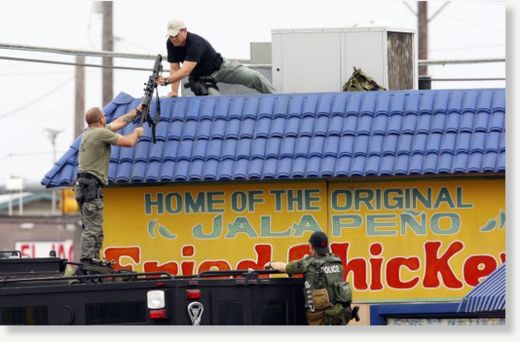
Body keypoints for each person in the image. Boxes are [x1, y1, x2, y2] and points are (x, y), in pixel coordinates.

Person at [75, 105, 144, 264]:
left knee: (93, 226)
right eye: (104, 116)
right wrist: (137, 133)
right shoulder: (101, 133)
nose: (106, 119)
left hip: (83, 185)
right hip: (91, 186)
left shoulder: (90, 133)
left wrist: (138, 110)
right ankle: (87, 261)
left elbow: (119, 122)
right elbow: (128, 143)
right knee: (93, 228)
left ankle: (93, 258)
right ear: (100, 119)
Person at [155, 18, 277, 96]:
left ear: (184, 31)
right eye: (170, 36)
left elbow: (185, 70)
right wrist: (174, 92)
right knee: (215, 102)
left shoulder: (195, 43)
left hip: (222, 69)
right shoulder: (171, 44)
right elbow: (174, 68)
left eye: (176, 35)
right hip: (202, 79)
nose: (173, 39)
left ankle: (278, 99)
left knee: (254, 77)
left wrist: (166, 80)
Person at [265, 231, 356, 325]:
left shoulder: (308, 263)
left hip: (321, 318)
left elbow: (285, 267)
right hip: (339, 315)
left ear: (311, 247)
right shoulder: (336, 261)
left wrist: (270, 264)